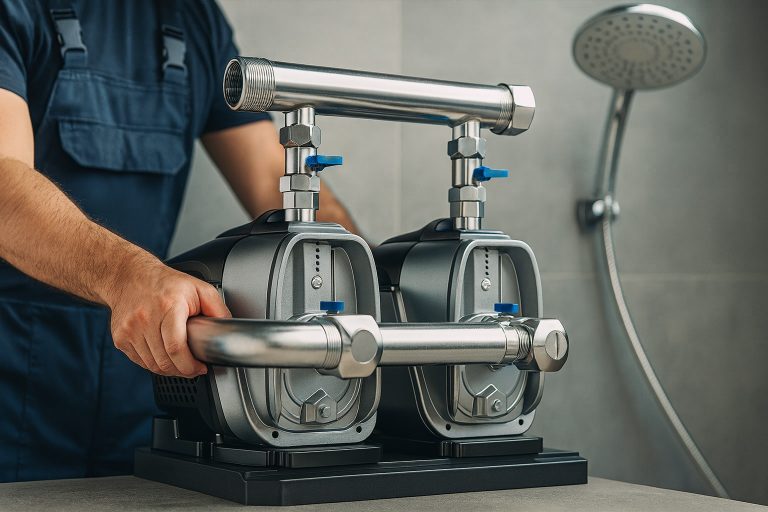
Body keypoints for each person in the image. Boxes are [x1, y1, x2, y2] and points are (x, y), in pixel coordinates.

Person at [0, 0, 357, 482]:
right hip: (15, 371)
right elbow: (4, 185)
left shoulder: (193, 18)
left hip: (151, 363)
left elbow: (276, 177)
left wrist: (369, 278)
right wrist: (126, 276)